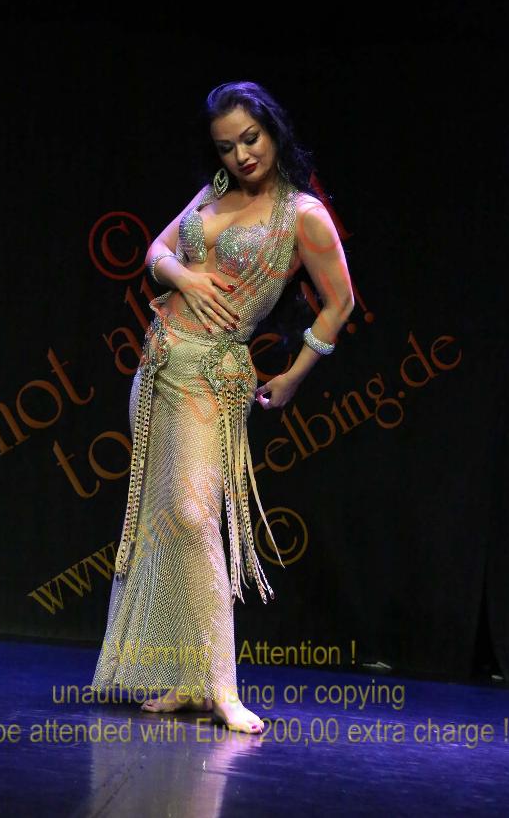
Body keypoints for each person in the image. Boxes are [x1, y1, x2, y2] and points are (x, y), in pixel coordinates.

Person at [91, 81, 355, 734]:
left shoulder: (302, 215)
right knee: (167, 522)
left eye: (250, 138)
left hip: (213, 374)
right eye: (227, 146)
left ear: (273, 130)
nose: (241, 155)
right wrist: (183, 275)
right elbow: (156, 252)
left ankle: (222, 688)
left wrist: (294, 376)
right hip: (159, 364)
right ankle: (187, 679)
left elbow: (340, 302)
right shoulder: (213, 190)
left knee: (193, 516)